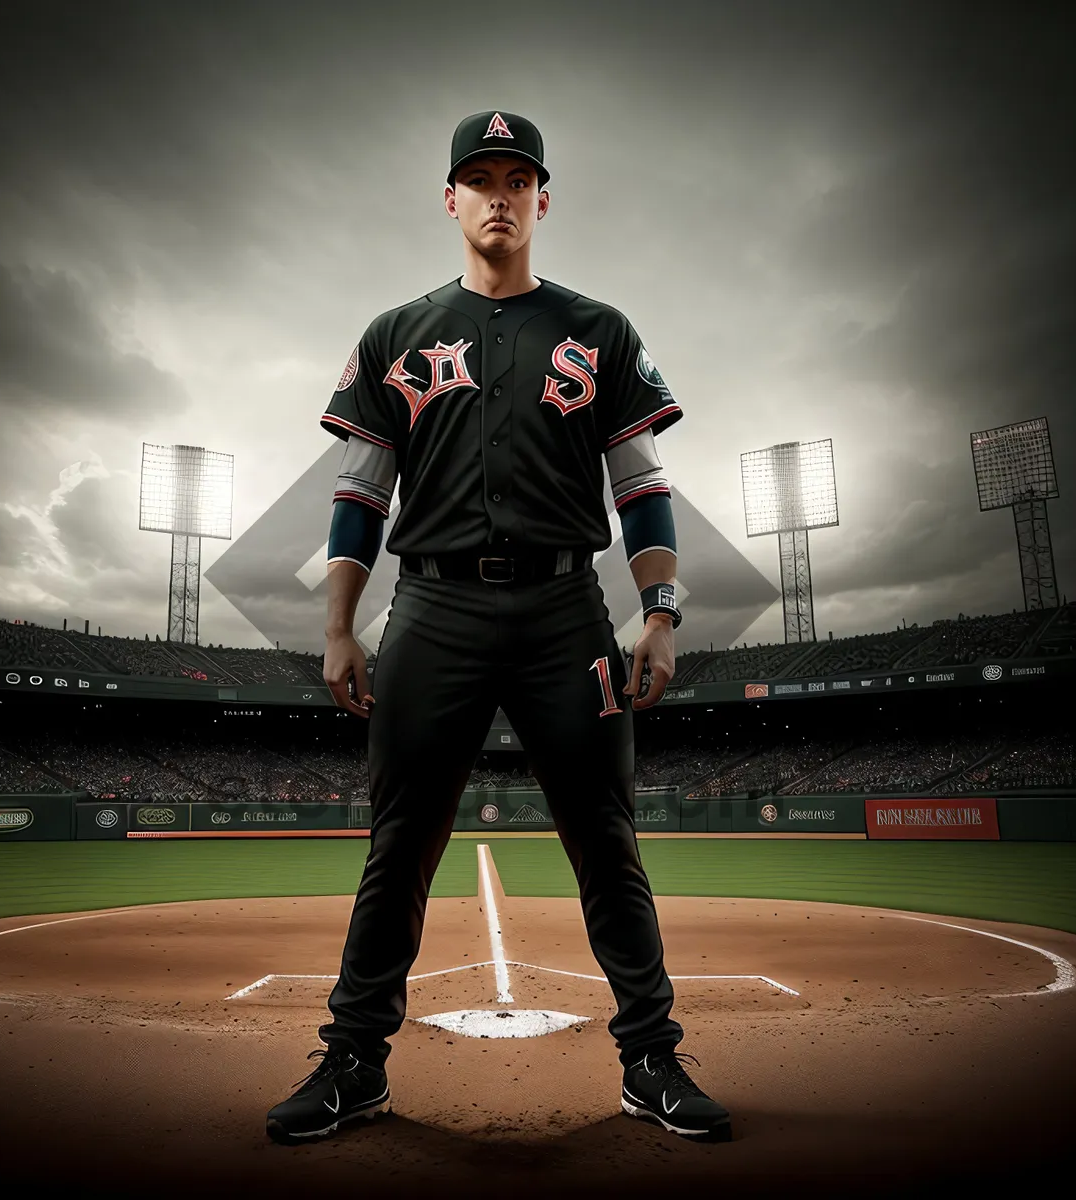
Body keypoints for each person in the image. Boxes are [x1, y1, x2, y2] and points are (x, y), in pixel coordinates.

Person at [266, 110, 731, 1145]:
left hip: (569, 608)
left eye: (517, 177)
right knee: (401, 842)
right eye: (479, 177)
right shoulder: (395, 332)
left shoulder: (600, 329)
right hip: (430, 607)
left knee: (605, 838)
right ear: (450, 200)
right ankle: (354, 1062)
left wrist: (659, 611)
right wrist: (341, 626)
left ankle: (650, 1058)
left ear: (541, 200)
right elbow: (358, 495)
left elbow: (641, 485)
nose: (498, 194)